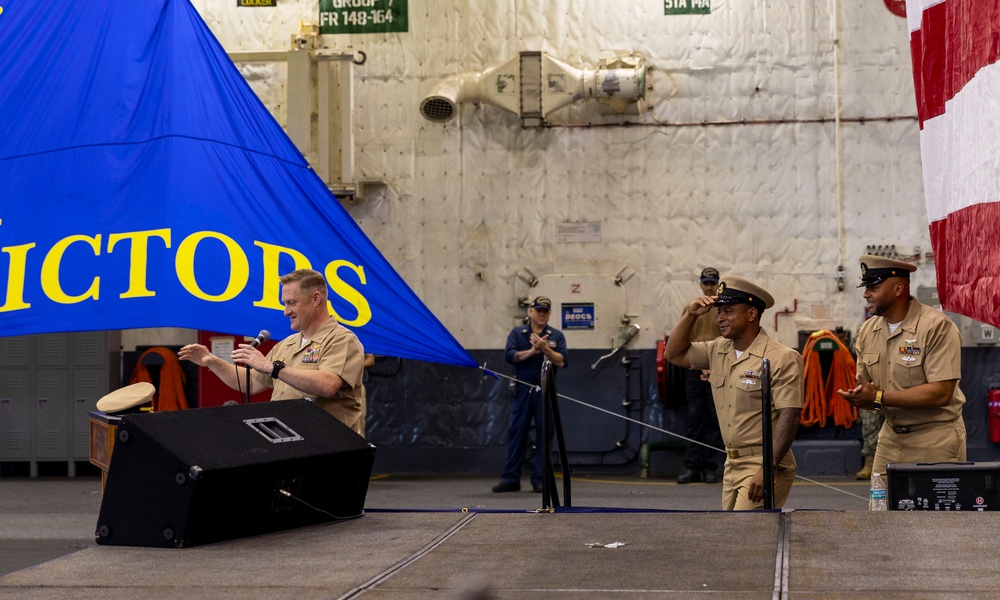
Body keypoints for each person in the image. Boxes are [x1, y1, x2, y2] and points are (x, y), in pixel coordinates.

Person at [664, 275, 803, 510]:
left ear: (751, 314)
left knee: (745, 538)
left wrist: (767, 468)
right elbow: (674, 355)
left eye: (728, 311)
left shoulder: (782, 357)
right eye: (719, 312)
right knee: (736, 540)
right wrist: (690, 314)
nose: (720, 318)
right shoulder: (717, 350)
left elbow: (789, 417)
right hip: (732, 463)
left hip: (764, 463)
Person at [179, 268, 367, 435]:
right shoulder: (287, 344)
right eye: (284, 303)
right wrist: (211, 360)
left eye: (292, 303)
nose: (286, 311)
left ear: (316, 299)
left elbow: (328, 385)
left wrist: (273, 368)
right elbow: (251, 383)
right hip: (289, 442)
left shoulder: (341, 339)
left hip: (331, 447)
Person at [837, 255, 966, 476]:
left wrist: (878, 398)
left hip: (935, 440)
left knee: (935, 511)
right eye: (866, 287)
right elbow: (870, 389)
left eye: (874, 286)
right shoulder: (867, 332)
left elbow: (941, 393)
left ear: (898, 289)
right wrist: (862, 397)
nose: (866, 293)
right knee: (880, 508)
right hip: (890, 438)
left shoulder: (937, 327)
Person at [493, 296, 569, 493]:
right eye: (538, 310)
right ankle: (510, 478)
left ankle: (540, 479)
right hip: (522, 389)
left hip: (546, 390)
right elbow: (510, 356)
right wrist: (533, 350)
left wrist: (545, 349)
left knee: (545, 435)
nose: (542, 314)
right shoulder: (518, 333)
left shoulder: (556, 336)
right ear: (531, 312)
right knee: (517, 434)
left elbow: (561, 361)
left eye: (546, 311)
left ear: (550, 314)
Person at [675, 267, 725, 484]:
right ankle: (692, 468)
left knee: (716, 420)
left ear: (718, 284)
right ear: (700, 284)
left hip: (718, 368)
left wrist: (712, 365)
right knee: (695, 420)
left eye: (712, 283)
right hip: (695, 370)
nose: (709, 287)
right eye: (706, 283)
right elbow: (683, 336)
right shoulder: (692, 308)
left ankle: (710, 468)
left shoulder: (723, 308)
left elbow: (728, 339)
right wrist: (700, 366)